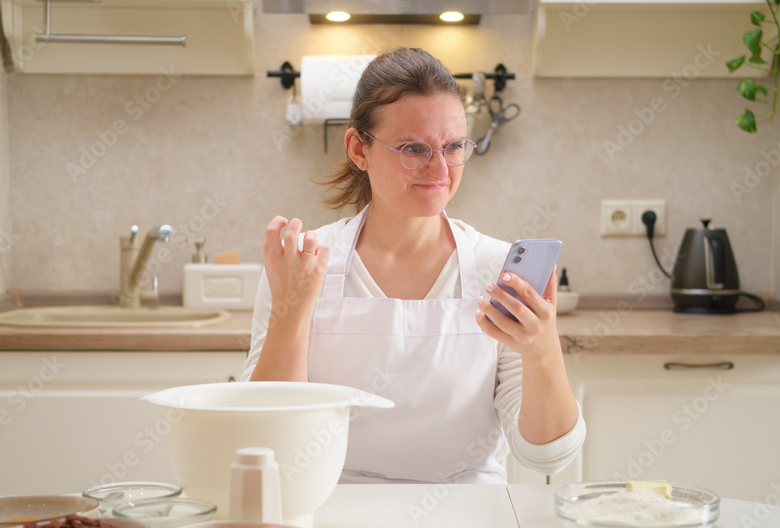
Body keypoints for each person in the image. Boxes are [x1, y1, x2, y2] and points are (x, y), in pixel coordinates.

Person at [242, 47, 585, 484]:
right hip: (332, 516)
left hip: (471, 525)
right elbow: (264, 440)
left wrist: (542, 349)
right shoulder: (303, 265)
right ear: (359, 150)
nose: (439, 168)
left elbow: (547, 457)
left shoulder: (499, 270)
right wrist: (291, 314)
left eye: (455, 146)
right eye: (414, 148)